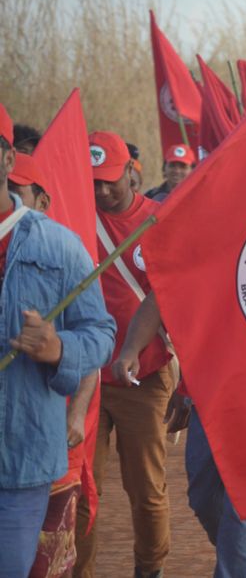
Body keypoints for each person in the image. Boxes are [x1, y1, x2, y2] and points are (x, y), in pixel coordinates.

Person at [0, 106, 116, 578]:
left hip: (22, 458)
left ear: (7, 157)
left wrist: (59, 349)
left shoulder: (59, 246)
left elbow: (100, 333)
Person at [116, 292, 246, 577]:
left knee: (242, 497)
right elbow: (159, 298)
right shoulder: (193, 249)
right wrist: (130, 350)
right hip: (206, 392)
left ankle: (241, 566)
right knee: (202, 496)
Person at [75, 131, 173, 578]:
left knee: (146, 488)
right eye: (92, 180)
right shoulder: (73, 219)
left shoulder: (160, 220)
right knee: (79, 487)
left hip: (144, 377)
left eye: (109, 180)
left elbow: (174, 298)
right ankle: (78, 569)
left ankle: (148, 569)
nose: (100, 190)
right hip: (83, 379)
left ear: (132, 174)